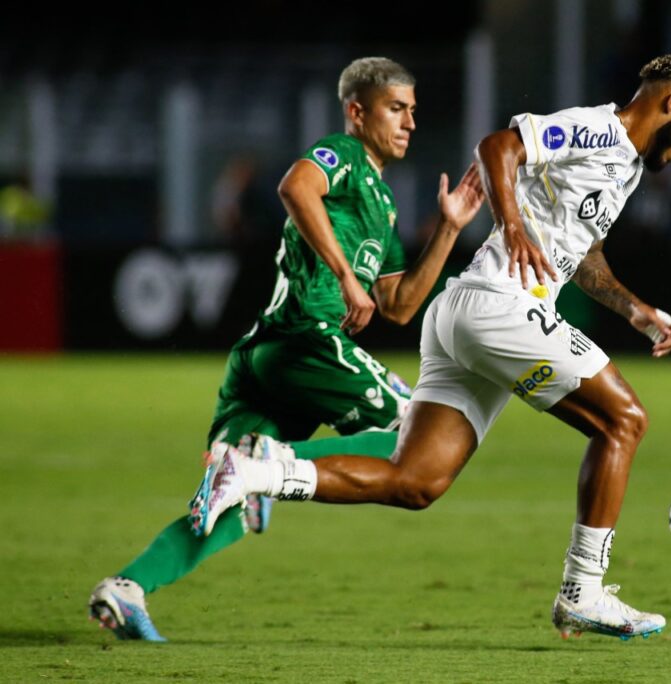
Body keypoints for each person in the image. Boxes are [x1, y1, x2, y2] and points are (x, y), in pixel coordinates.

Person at [193, 53, 671, 640]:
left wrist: (634, 309)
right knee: (623, 420)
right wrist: (513, 226)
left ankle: (255, 471)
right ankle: (584, 590)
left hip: (464, 315)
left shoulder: (623, 165)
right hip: (499, 307)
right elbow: (498, 146)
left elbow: (584, 254)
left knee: (416, 480)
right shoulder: (599, 128)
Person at [88, 57, 485, 641]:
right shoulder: (344, 157)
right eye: (397, 109)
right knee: (416, 435)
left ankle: (127, 587)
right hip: (306, 339)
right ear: (357, 111)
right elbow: (295, 186)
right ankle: (270, 465)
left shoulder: (383, 202)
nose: (410, 124)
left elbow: (399, 305)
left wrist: (448, 230)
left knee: (230, 505)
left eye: (414, 112)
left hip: (263, 356)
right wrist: (346, 277)